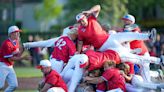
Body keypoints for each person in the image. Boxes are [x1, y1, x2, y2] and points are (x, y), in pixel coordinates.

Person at [76, 5, 156, 53]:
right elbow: (80, 42)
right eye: (80, 22)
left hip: (108, 37)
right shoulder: (80, 30)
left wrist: (90, 11)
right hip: (102, 46)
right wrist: (78, 53)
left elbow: (98, 7)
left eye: (82, 20)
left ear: (85, 18)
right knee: (119, 50)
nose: (82, 22)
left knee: (126, 35)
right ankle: (131, 52)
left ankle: (148, 36)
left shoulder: (91, 19)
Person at [0, 26, 31, 92]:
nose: (18, 34)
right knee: (1, 86)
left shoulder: (16, 42)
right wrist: (23, 58)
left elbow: (18, 55)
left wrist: (23, 48)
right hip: (2, 65)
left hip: (10, 66)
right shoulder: (7, 44)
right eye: (16, 32)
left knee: (14, 85)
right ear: (11, 34)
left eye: (18, 32)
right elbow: (10, 59)